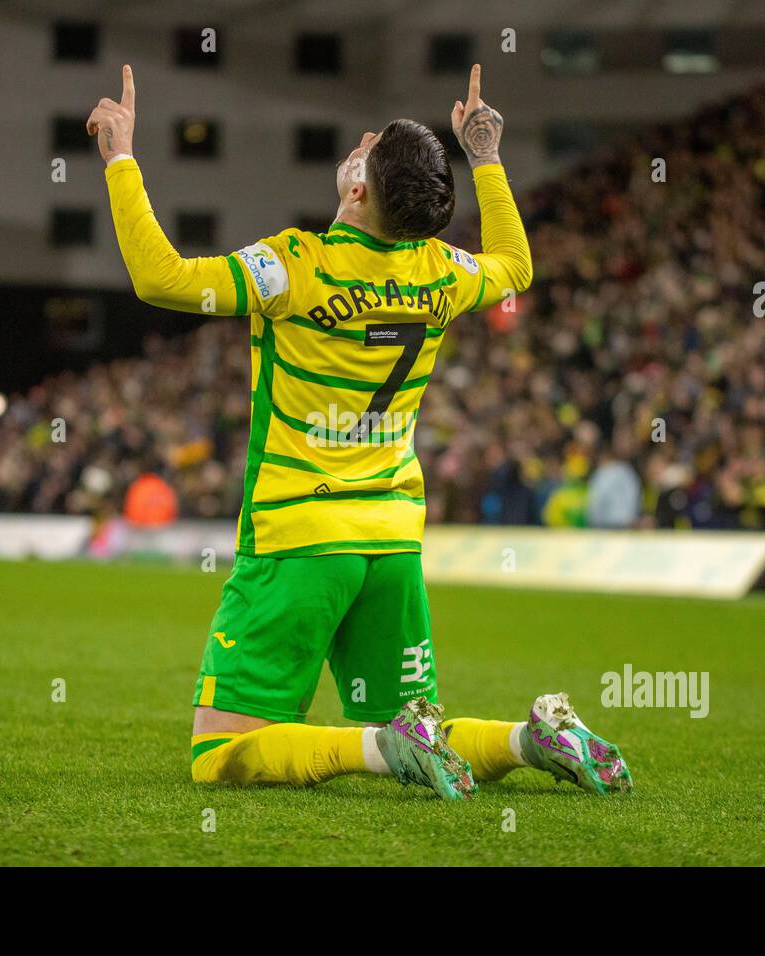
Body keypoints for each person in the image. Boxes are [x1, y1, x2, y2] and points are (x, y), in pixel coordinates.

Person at [90, 64, 631, 799]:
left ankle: (379, 749)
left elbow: (161, 279)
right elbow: (516, 265)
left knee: (217, 754)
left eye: (367, 149)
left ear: (356, 190)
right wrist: (487, 158)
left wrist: (120, 157)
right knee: (424, 723)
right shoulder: (440, 271)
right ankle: (533, 739)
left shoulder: (294, 267)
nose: (361, 143)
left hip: (300, 537)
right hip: (392, 542)